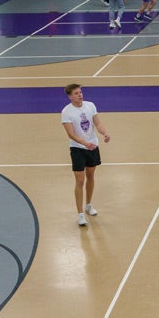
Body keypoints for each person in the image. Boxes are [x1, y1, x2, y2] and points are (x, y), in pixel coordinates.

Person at [61, 83, 112, 226]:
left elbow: (98, 123)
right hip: (78, 148)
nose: (80, 95)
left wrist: (105, 133)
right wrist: (84, 143)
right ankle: (80, 214)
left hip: (93, 146)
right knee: (80, 181)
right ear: (70, 96)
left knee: (91, 176)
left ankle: (88, 205)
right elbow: (71, 134)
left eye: (81, 92)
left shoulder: (90, 106)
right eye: (76, 93)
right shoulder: (66, 112)